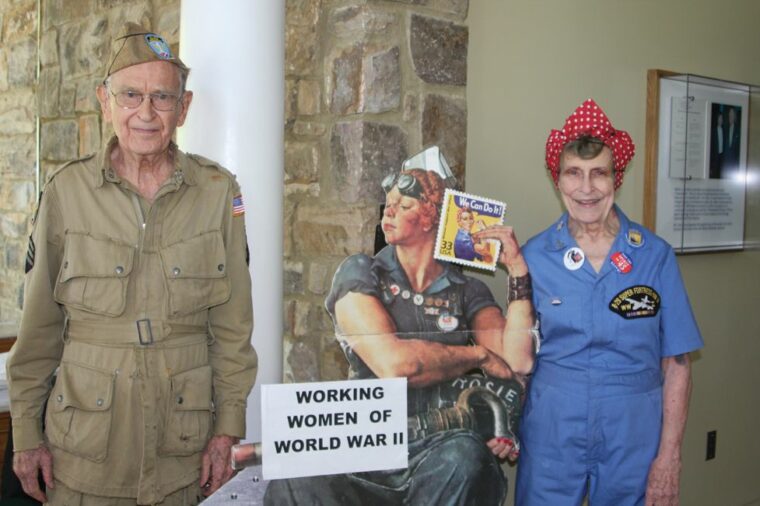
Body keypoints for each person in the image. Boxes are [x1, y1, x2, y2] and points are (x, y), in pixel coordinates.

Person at [6, 22, 258, 505]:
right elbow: (39, 327)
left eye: (162, 98)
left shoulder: (218, 193)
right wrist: (25, 434)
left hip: (182, 454)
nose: (146, 112)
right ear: (105, 101)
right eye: (130, 95)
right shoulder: (66, 193)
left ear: (182, 109)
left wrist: (227, 429)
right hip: (82, 456)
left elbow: (232, 328)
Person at [265, 151, 536, 505]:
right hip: (367, 437)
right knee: (295, 471)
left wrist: (517, 270)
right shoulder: (361, 272)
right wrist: (478, 354)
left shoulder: (468, 291)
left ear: (429, 219)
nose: (388, 212)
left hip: (439, 446)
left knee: (465, 458)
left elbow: (517, 362)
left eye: (402, 204)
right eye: (387, 203)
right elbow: (394, 365)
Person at [508, 99, 703, 506]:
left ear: (617, 178)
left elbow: (678, 363)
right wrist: (504, 421)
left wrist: (670, 456)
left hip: (634, 430)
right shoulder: (534, 256)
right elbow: (518, 358)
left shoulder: (654, 255)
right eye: (573, 174)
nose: (586, 188)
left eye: (599, 173)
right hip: (552, 428)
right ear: (556, 180)